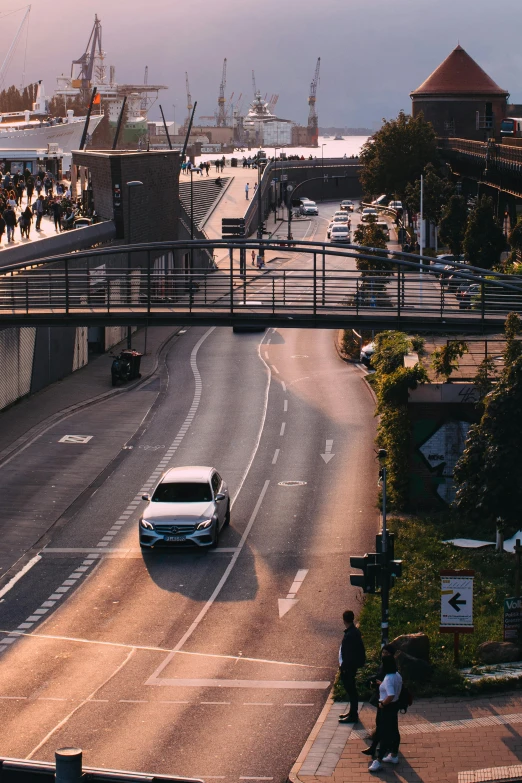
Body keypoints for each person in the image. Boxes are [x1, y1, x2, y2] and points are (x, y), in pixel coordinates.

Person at [367, 655, 402, 772]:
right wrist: (382, 684)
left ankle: (378, 761)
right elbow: (393, 690)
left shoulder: (388, 679)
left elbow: (390, 695)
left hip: (387, 708)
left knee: (384, 733)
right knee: (394, 731)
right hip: (395, 707)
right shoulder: (397, 676)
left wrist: (382, 704)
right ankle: (394, 755)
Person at [338, 609, 366, 723]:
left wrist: (343, 668)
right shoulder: (354, 631)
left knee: (351, 690)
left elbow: (348, 654)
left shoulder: (350, 634)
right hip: (352, 665)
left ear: (344, 620)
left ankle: (353, 715)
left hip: (349, 667)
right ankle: (352, 712)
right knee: (352, 690)